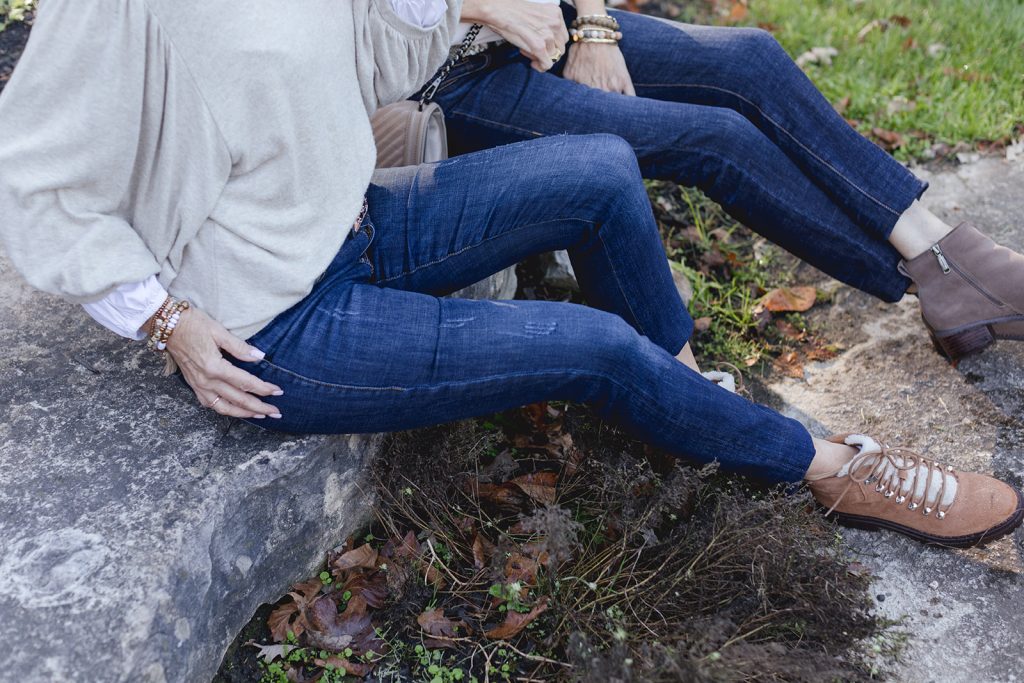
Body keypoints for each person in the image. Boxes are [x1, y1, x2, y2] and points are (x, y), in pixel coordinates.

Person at [0, 0, 1020, 549]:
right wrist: (162, 314)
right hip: (279, 321)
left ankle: (690, 399)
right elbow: (31, 170)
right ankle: (833, 467)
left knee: (600, 168)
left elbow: (368, 61)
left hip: (353, 226)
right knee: (590, 345)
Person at [418, 0, 1024, 361]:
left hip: (554, 24)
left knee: (750, 59)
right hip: (457, 71)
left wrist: (594, 26)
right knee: (715, 138)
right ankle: (951, 284)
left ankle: (941, 251)